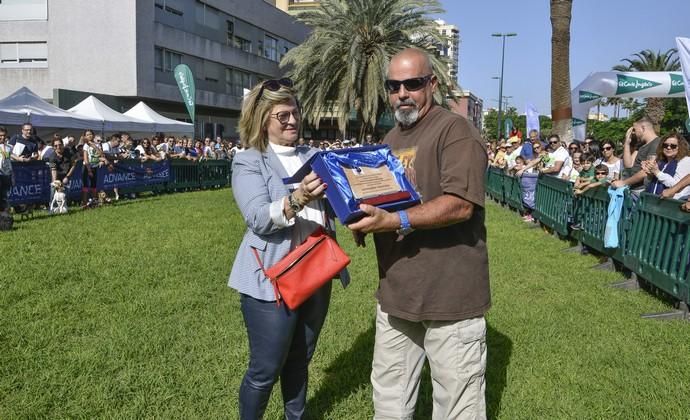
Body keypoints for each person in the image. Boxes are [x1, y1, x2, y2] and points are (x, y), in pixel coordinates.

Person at [348, 48, 490, 419]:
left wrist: (395, 222)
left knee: (457, 407)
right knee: (389, 403)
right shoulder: (389, 139)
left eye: (412, 83)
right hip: (397, 295)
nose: (402, 94)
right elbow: (384, 201)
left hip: (450, 297)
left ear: (432, 84)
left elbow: (461, 204)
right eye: (394, 86)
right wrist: (366, 222)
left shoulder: (456, 131)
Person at [228, 78, 347, 419]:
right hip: (272, 281)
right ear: (262, 119)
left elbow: (339, 204)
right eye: (283, 116)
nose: (293, 121)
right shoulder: (249, 161)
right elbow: (258, 218)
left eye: (295, 113)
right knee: (265, 371)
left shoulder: (315, 156)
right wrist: (300, 197)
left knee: (300, 360)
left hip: (317, 273)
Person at [612, 116, 660, 192]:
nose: (633, 132)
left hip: (642, 190)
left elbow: (646, 171)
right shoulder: (641, 145)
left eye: (634, 129)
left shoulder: (656, 144)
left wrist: (624, 182)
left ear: (643, 128)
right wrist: (627, 143)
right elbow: (628, 165)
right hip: (633, 188)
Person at [642, 132, 690, 197]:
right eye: (665, 145)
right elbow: (647, 185)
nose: (668, 148)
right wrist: (649, 175)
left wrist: (657, 172)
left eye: (673, 146)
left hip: (671, 204)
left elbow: (676, 186)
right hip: (653, 200)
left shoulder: (685, 160)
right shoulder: (661, 161)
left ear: (680, 147)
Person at [0, 127, 14, 217]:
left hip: (7, 175)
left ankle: (4, 217)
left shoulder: (9, 147)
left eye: (4, 135)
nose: (2, 137)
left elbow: (9, 160)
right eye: (0, 135)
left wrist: (12, 175)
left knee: (5, 196)